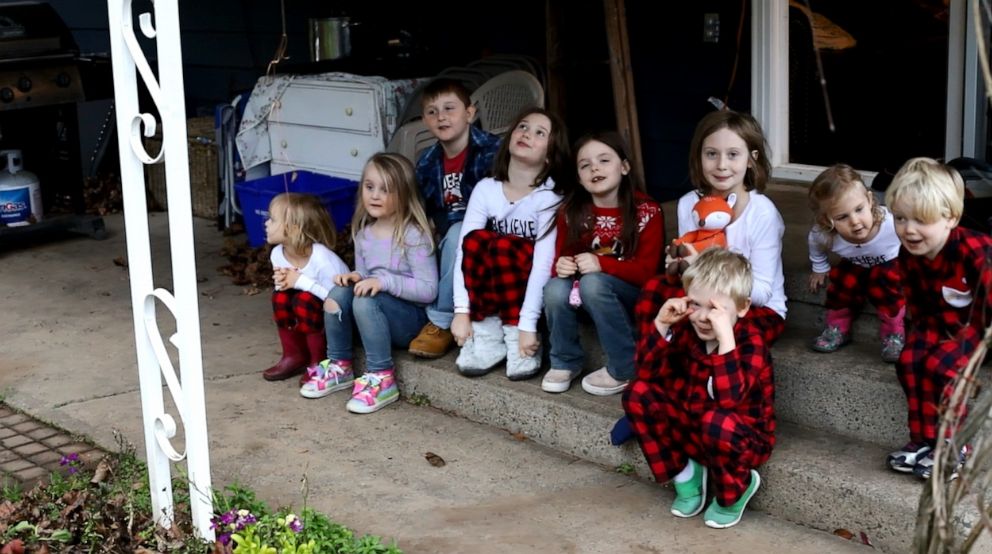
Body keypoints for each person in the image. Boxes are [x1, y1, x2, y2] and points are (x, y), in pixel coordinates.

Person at [623, 248, 773, 530]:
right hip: (692, 428)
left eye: (715, 308)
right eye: (696, 304)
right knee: (637, 393)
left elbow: (729, 401)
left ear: (742, 307)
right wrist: (660, 325)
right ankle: (685, 473)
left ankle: (737, 488)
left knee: (716, 420)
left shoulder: (750, 342)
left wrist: (725, 341)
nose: (703, 317)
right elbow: (645, 373)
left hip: (739, 438)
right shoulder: (685, 330)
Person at [636, 110, 787, 350]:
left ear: (751, 159)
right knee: (654, 291)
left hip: (753, 307)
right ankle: (649, 364)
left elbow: (762, 293)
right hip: (702, 299)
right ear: (699, 157)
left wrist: (702, 266)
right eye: (711, 154)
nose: (721, 165)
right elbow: (689, 281)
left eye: (733, 155)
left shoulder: (763, 214)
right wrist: (679, 265)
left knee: (721, 327)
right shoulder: (689, 204)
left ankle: (713, 383)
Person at [300, 153, 437, 414]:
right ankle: (340, 366)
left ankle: (382, 377)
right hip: (373, 314)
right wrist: (355, 278)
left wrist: (383, 282)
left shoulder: (413, 234)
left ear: (405, 194)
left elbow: (428, 290)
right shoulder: (364, 234)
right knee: (337, 293)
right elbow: (365, 276)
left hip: (409, 322)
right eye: (369, 186)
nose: (375, 195)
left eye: (386, 190)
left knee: (366, 299)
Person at [883, 157, 992, 479]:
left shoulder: (976, 252)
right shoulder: (908, 255)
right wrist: (921, 338)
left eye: (921, 220)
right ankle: (924, 440)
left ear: (951, 218)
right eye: (900, 219)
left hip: (977, 327)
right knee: (911, 362)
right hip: (935, 324)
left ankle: (953, 446)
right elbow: (917, 305)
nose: (909, 229)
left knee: (941, 367)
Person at [450, 107, 570, 380]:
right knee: (475, 241)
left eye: (540, 133)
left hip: (525, 288)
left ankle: (516, 335)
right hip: (492, 288)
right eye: (523, 127)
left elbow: (543, 264)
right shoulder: (486, 188)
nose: (527, 134)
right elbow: (463, 252)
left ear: (550, 154)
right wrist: (461, 312)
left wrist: (527, 325)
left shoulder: (549, 197)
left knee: (504, 247)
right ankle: (488, 335)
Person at [541, 131, 664, 395]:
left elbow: (648, 273)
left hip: (631, 298)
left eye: (604, 160)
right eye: (585, 165)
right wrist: (561, 266)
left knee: (594, 283)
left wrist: (601, 265)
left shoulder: (647, 210)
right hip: (584, 294)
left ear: (625, 166)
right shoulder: (571, 212)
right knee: (553, 288)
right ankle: (565, 360)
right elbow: (562, 259)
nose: (594, 167)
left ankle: (625, 366)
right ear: (579, 177)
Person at [408, 78, 502, 360]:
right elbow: (425, 209)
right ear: (424, 120)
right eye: (432, 112)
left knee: (461, 230)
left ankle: (440, 320)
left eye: (450, 108)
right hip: (447, 237)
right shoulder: (426, 162)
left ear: (470, 113)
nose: (441, 117)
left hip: (489, 237)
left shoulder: (492, 151)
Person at [807, 163, 905, 362]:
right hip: (855, 264)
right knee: (842, 283)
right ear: (827, 220)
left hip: (891, 263)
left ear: (869, 200)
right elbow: (815, 245)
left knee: (886, 283)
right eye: (842, 217)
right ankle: (837, 326)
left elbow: (916, 237)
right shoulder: (824, 234)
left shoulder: (891, 223)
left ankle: (893, 332)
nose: (855, 221)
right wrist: (820, 267)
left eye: (859, 209)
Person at [262, 192, 349, 382]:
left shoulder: (322, 257)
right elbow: (283, 289)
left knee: (305, 299)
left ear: (292, 229)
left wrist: (300, 281)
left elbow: (335, 299)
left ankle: (318, 360)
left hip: (340, 321)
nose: (266, 223)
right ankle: (294, 355)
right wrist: (283, 283)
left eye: (273, 219)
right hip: (309, 318)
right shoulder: (277, 253)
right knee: (280, 298)